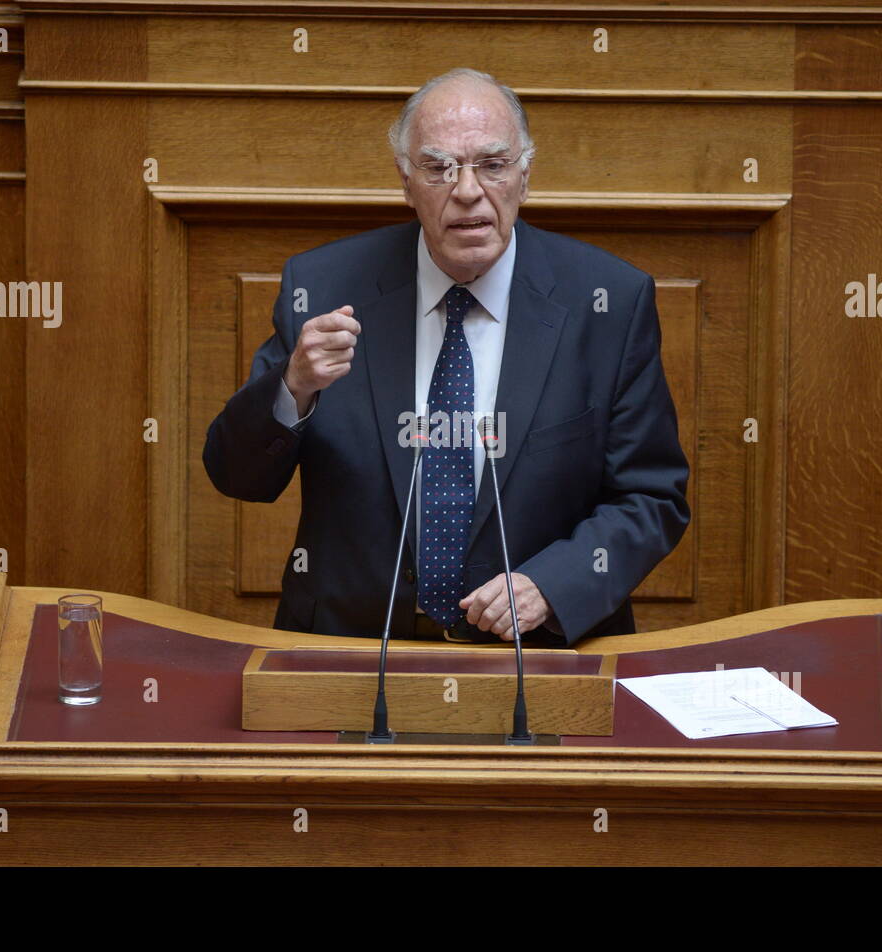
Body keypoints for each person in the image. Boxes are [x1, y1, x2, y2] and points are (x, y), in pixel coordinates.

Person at [203, 67, 689, 646]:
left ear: (524, 176)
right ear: (406, 183)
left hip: (537, 661)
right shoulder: (324, 286)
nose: (466, 190)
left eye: (493, 164)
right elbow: (238, 475)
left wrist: (555, 585)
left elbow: (651, 497)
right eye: (438, 168)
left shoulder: (607, 301)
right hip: (350, 653)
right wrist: (295, 385)